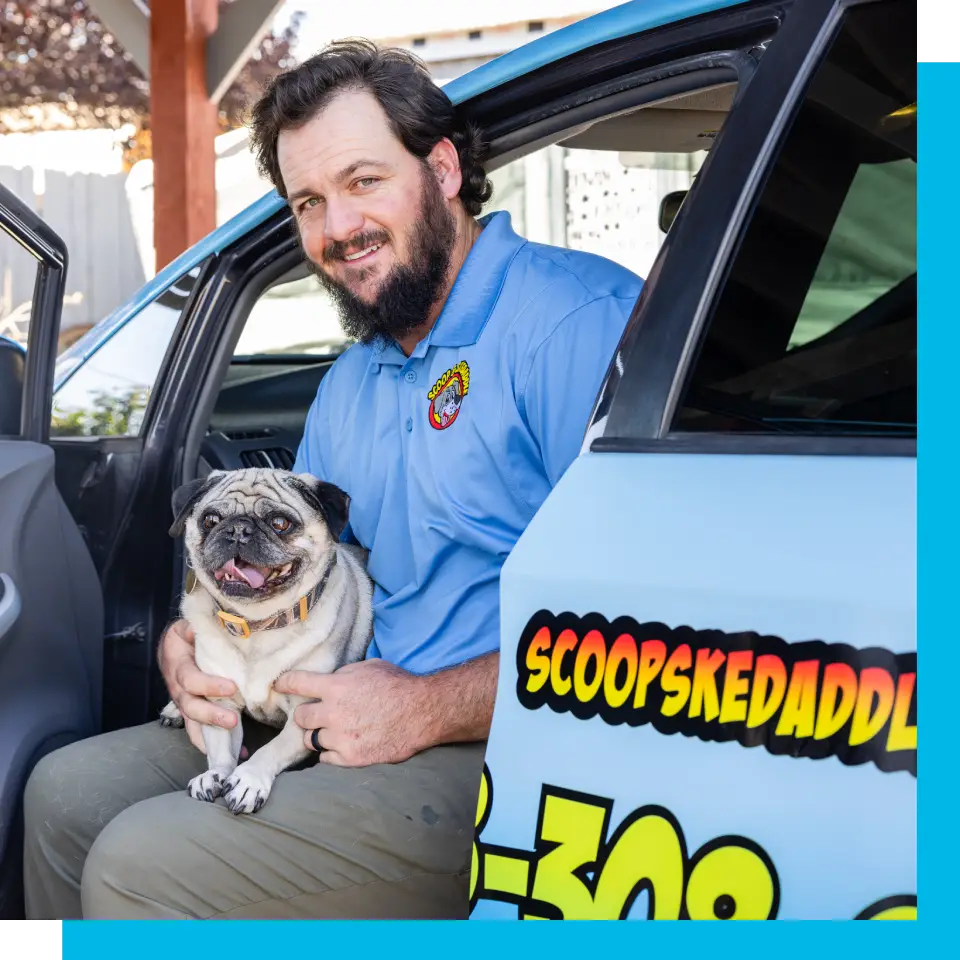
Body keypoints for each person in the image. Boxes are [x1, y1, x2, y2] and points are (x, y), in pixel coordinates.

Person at [22, 39, 643, 920]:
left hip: (508, 748)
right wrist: (193, 643)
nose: (336, 229)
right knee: (62, 795)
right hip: (332, 709)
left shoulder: (574, 325)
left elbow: (646, 630)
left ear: (443, 167)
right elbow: (310, 572)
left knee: (141, 864)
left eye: (362, 181)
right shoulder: (351, 380)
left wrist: (428, 708)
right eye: (309, 201)